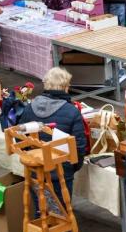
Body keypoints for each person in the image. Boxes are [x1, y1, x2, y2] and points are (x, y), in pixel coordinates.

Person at [18, 67, 88, 202]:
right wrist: (72, 167)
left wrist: (32, 157)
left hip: (35, 167)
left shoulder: (29, 107)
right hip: (61, 170)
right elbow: (79, 146)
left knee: (40, 205)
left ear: (46, 85)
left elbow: (20, 138)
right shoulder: (72, 111)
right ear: (65, 87)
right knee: (61, 208)